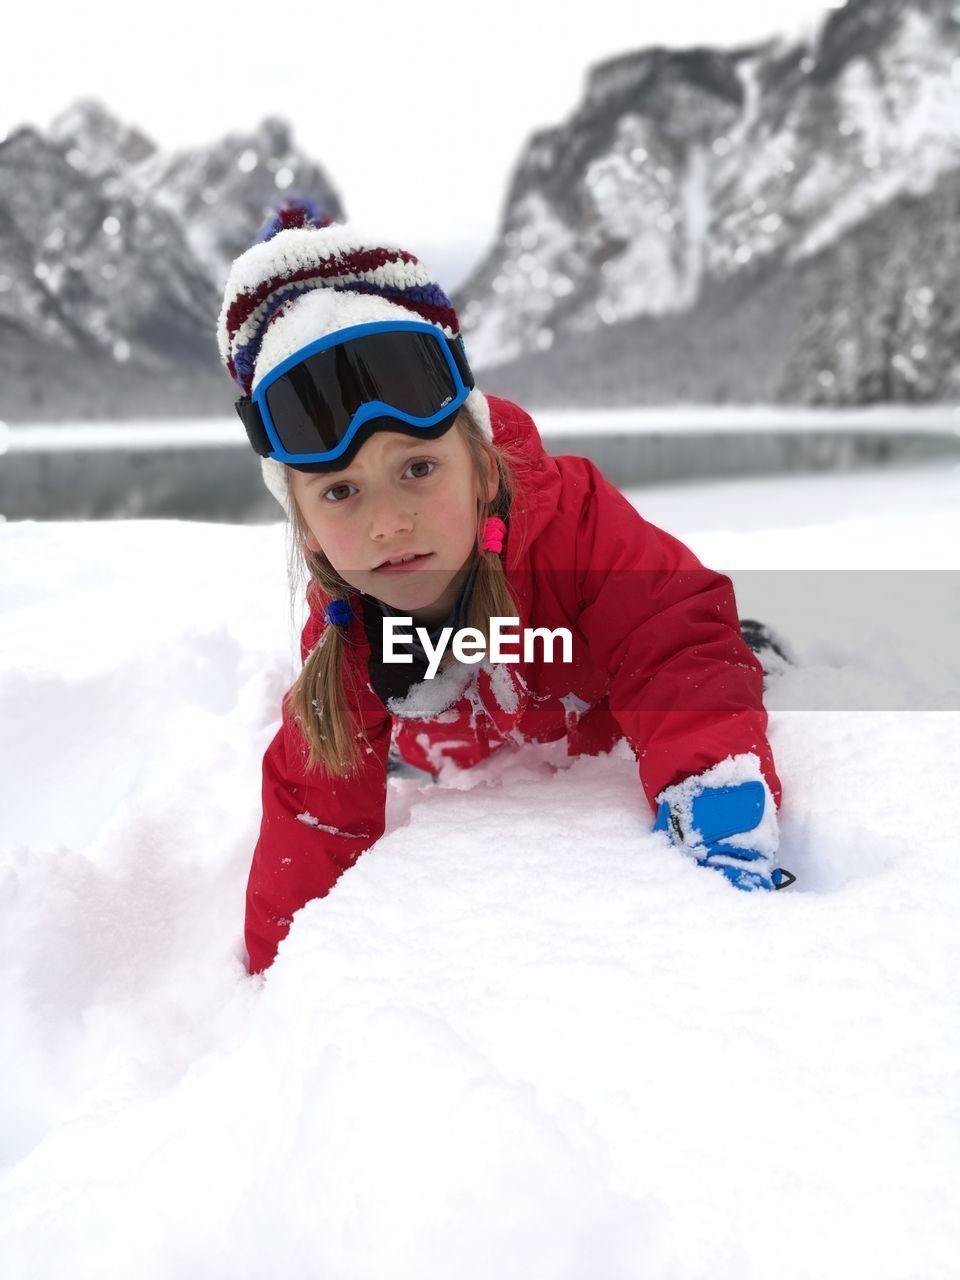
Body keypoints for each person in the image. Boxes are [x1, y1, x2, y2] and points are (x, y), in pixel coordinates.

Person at [217, 200, 793, 976]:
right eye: (341, 493)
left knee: (715, 650)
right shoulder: (346, 626)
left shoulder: (575, 522)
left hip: (591, 720)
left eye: (417, 468)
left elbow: (672, 638)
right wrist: (280, 974)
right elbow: (312, 810)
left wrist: (713, 796)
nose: (389, 523)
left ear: (483, 467)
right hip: (455, 748)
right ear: (307, 529)